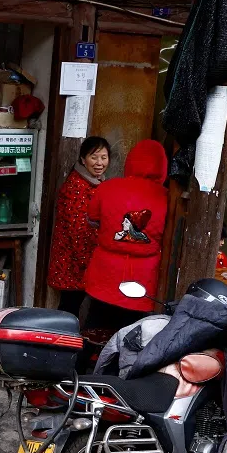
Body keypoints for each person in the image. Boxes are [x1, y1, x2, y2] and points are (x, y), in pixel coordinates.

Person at [83, 139, 169, 329]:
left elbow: (92, 219)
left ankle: (90, 357)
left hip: (104, 272)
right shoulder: (167, 197)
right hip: (144, 276)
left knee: (96, 327)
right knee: (133, 332)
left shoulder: (106, 188)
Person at [46, 136, 110, 317]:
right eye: (94, 157)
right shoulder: (77, 187)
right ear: (83, 159)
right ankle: (62, 343)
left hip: (81, 262)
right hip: (73, 264)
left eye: (103, 158)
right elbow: (79, 232)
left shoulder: (96, 183)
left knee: (71, 308)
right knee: (68, 310)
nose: (99, 163)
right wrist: (89, 265)